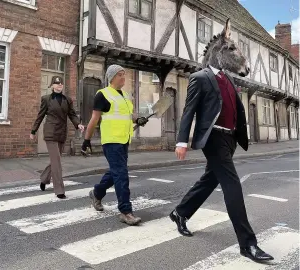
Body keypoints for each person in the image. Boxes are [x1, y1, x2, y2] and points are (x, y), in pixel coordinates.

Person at [170, 19, 274, 262]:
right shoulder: (200, 77)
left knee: (209, 180)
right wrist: (181, 141)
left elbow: (235, 108)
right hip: (213, 138)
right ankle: (248, 244)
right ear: (221, 52)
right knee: (232, 186)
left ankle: (180, 212)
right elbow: (189, 111)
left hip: (229, 139)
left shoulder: (228, 79)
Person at [82, 64, 148, 225]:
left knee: (116, 172)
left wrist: (138, 119)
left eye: (124, 75)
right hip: (111, 141)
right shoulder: (103, 95)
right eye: (120, 75)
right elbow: (94, 119)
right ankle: (126, 211)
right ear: (111, 77)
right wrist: (86, 140)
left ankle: (97, 193)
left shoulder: (125, 96)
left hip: (124, 139)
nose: (123, 77)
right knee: (121, 175)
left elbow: (128, 115)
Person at [30, 76, 84, 199]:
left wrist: (78, 124)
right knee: (57, 162)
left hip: (61, 133)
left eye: (61, 84)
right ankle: (59, 190)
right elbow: (40, 116)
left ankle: (44, 179)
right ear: (52, 85)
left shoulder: (68, 100)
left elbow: (72, 114)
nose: (59, 85)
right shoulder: (46, 99)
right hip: (50, 133)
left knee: (55, 160)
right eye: (56, 83)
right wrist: (33, 131)